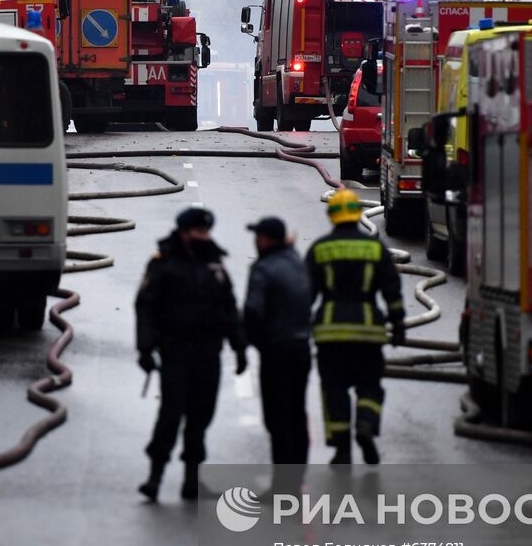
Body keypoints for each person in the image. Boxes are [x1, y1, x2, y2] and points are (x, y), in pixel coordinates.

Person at [135, 206, 247, 501]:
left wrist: (239, 346)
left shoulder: (215, 264)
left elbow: (229, 308)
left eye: (207, 232)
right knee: (171, 414)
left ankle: (192, 479)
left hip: (208, 353)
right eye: (199, 232)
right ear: (184, 233)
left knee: (201, 416)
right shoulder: (163, 264)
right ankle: (155, 476)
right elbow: (145, 306)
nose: (204, 236)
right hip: (176, 351)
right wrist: (145, 348)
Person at [306, 188, 405, 465]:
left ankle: (341, 450)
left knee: (334, 390)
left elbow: (305, 294)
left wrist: (300, 330)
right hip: (367, 331)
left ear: (332, 216)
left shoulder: (320, 249)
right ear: (359, 214)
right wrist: (397, 323)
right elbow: (391, 288)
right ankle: (365, 425)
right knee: (370, 386)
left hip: (330, 333)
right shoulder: (375, 248)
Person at [243, 216, 312, 468]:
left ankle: (283, 484)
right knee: (296, 412)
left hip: (276, 352)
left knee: (277, 418)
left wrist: (252, 342)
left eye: (258, 236)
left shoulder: (263, 268)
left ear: (266, 239)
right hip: (301, 349)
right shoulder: (297, 262)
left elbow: (252, 310)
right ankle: (297, 475)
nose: (255, 241)